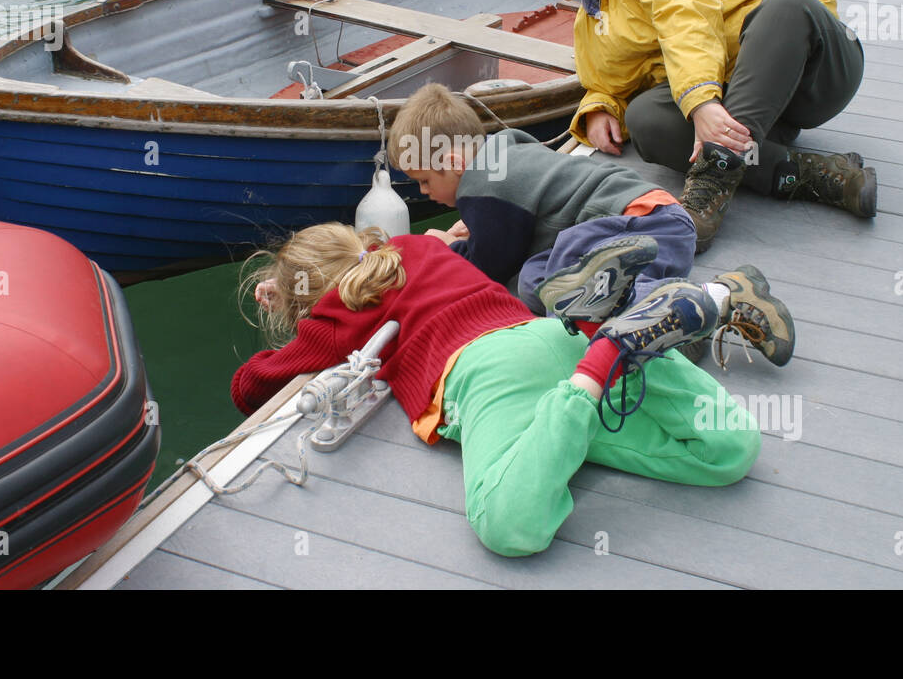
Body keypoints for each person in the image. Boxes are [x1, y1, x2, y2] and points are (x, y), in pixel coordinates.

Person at [230, 223, 794, 557]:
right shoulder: (415, 248)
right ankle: (618, 339)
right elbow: (423, 255)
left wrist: (284, 301)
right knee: (728, 449)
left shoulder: (335, 313)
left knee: (509, 526)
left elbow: (252, 387)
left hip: (486, 371)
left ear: (309, 293)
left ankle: (603, 358)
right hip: (552, 334)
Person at [500, 0, 876, 253]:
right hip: (754, 103)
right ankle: (813, 176)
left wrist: (700, 102)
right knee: (645, 118)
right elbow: (608, 79)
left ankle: (710, 186)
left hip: (816, 69)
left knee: (785, 6)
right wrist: (600, 106)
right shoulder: (594, 16)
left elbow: (685, 14)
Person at [387, 81, 696, 320]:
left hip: (638, 223)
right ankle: (645, 309)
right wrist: (478, 224)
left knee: (564, 270)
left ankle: (675, 307)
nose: (424, 192)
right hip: (658, 222)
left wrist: (446, 250)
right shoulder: (503, 153)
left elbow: (487, 268)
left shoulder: (483, 187)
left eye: (425, 181)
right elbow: (513, 224)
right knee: (536, 281)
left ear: (454, 163)